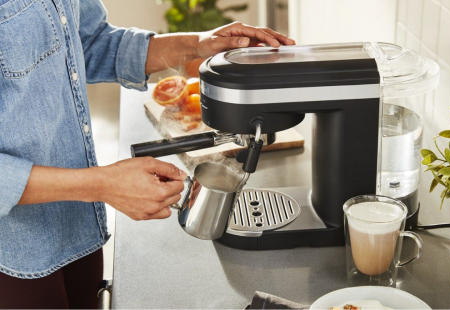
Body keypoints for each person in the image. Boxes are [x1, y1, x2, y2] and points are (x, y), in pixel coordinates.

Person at [0, 0, 295, 308]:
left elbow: (89, 42)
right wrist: (100, 184)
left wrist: (197, 45)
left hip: (77, 228)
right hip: (14, 259)